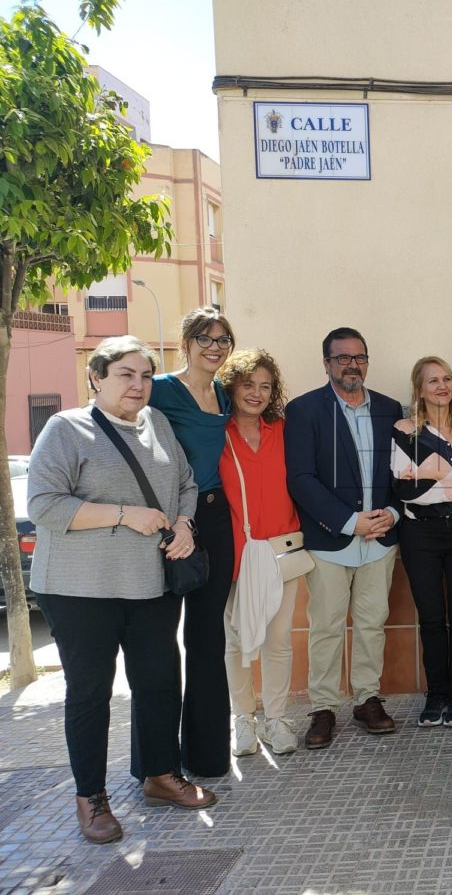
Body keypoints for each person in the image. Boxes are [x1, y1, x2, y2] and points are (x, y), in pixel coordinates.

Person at [27, 336, 216, 845]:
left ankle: (160, 774)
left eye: (146, 375)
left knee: (158, 681)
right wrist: (122, 514)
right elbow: (44, 505)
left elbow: (187, 482)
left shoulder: (156, 423)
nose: (138, 385)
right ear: (96, 378)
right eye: (125, 375)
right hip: (80, 589)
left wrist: (184, 524)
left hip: (151, 584)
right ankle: (91, 797)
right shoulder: (66, 428)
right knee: (89, 693)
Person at [285, 327, 403, 749]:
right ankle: (323, 707)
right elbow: (300, 478)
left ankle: (367, 699)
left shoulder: (391, 408)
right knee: (327, 626)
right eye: (343, 358)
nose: (352, 365)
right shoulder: (304, 410)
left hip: (382, 538)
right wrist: (350, 522)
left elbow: (402, 472)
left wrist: (391, 513)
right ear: (327, 364)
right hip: (331, 539)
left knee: (372, 623)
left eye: (359, 358)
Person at [147, 306, 236, 779]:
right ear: (186, 342)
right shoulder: (159, 390)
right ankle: (157, 764)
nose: (215, 347)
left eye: (223, 339)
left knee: (207, 639)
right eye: (205, 338)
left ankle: (206, 757)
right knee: (160, 643)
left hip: (214, 517)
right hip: (167, 522)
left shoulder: (223, 392)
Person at [392, 356, 452, 728]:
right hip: (420, 535)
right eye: (432, 381)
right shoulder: (405, 430)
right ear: (419, 388)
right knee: (432, 617)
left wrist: (431, 481)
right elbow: (404, 488)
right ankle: (436, 693)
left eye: (447, 379)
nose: (441, 386)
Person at [217, 349, 303, 756]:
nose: (257, 393)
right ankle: (243, 720)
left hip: (283, 550)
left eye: (265, 386)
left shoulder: (284, 431)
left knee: (278, 638)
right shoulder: (217, 433)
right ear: (231, 385)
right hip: (233, 556)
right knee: (235, 640)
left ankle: (277, 718)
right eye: (248, 384)